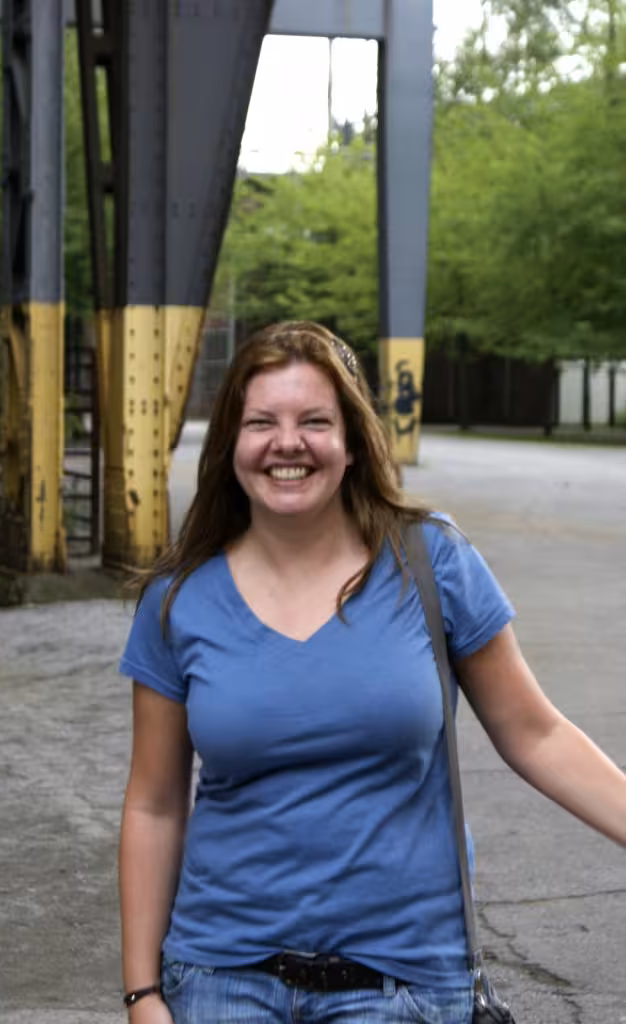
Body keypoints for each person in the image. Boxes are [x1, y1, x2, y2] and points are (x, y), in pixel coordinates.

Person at [118, 321, 626, 1024]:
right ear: (231, 444)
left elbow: (535, 734)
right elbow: (154, 803)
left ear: (352, 442)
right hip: (219, 980)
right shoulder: (178, 599)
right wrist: (143, 994)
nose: (287, 442)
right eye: (261, 421)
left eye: (314, 421)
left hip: (404, 985)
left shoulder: (431, 562)